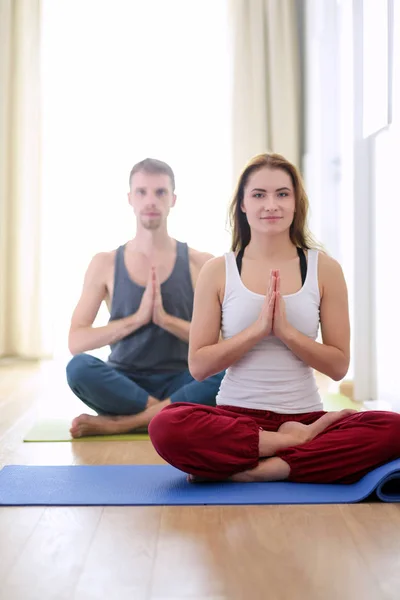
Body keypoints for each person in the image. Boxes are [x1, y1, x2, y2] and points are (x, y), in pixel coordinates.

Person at [148, 152, 400, 484]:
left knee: (393, 428)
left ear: (296, 203)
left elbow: (338, 366)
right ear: (242, 204)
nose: (272, 205)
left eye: (282, 194)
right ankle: (287, 447)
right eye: (259, 195)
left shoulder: (324, 269)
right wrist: (256, 331)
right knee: (166, 425)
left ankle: (271, 467)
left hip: (306, 417)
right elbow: (199, 366)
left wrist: (285, 332)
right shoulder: (217, 271)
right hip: (235, 418)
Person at [66, 158, 224, 438]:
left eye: (160, 192)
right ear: (130, 198)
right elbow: (76, 341)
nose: (151, 200)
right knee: (78, 368)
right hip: (125, 383)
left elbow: (220, 344)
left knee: (226, 373)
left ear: (173, 199)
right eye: (142, 192)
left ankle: (124, 424)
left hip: (181, 379)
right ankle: (170, 414)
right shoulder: (104, 263)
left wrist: (166, 320)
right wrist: (137, 320)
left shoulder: (201, 264)